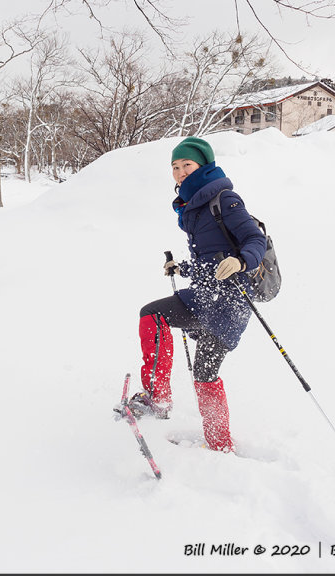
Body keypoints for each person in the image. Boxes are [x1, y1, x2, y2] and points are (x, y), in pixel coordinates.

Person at [128, 136, 267, 452]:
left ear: (203, 165)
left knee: (155, 318)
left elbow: (254, 240)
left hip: (228, 304)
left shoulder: (226, 200)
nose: (179, 172)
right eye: (175, 167)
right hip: (207, 297)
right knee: (204, 371)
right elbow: (211, 260)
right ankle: (218, 445)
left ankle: (158, 399)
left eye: (186, 165)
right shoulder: (195, 206)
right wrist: (181, 269)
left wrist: (242, 260)